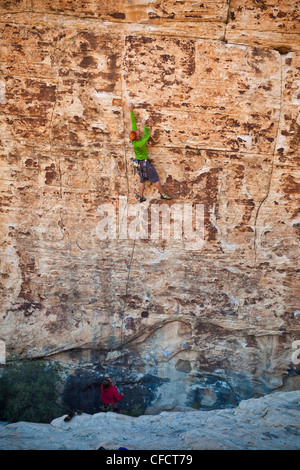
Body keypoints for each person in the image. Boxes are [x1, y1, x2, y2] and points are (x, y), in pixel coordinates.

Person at [129, 103, 172, 203]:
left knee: (142, 180)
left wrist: (131, 111)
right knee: (155, 179)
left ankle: (141, 197)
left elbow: (133, 124)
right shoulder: (140, 143)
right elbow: (147, 135)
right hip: (145, 164)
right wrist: (144, 126)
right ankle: (163, 194)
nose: (138, 132)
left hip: (139, 164)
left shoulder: (134, 141)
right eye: (137, 133)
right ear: (137, 136)